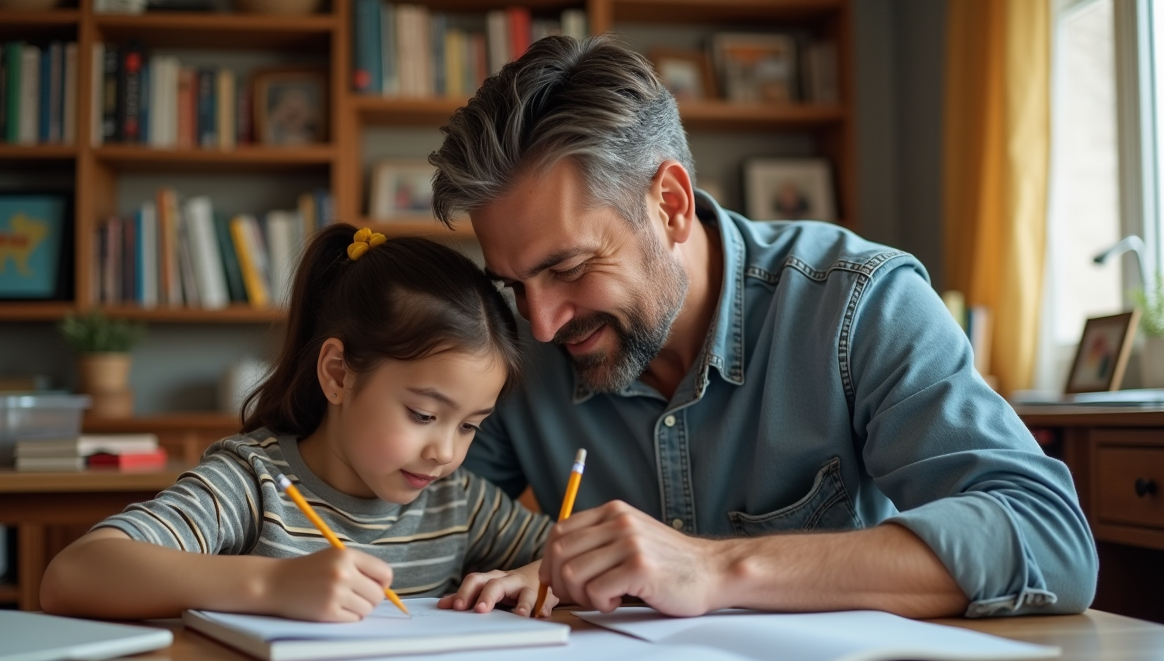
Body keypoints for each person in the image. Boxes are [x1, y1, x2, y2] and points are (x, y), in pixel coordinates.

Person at [430, 35, 1097, 620]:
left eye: (570, 267)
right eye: (514, 285)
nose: (540, 325)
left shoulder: (857, 305)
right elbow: (416, 518)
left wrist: (716, 570)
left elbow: (1048, 539)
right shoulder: (516, 347)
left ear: (670, 206)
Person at [40, 225, 553, 622]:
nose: (446, 452)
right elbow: (73, 574)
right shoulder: (252, 484)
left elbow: (569, 555)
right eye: (423, 415)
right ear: (338, 375)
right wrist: (272, 585)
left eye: (469, 427)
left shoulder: (457, 501)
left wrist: (539, 575)